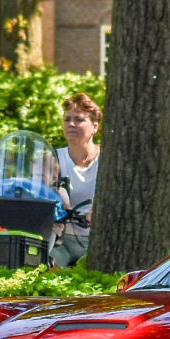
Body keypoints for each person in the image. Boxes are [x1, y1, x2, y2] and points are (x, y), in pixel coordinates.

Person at [52, 92, 99, 267]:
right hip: (60, 241)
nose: (71, 124)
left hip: (95, 241)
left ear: (94, 127)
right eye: (67, 119)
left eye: (79, 120)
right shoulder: (52, 158)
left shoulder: (108, 160)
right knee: (47, 272)